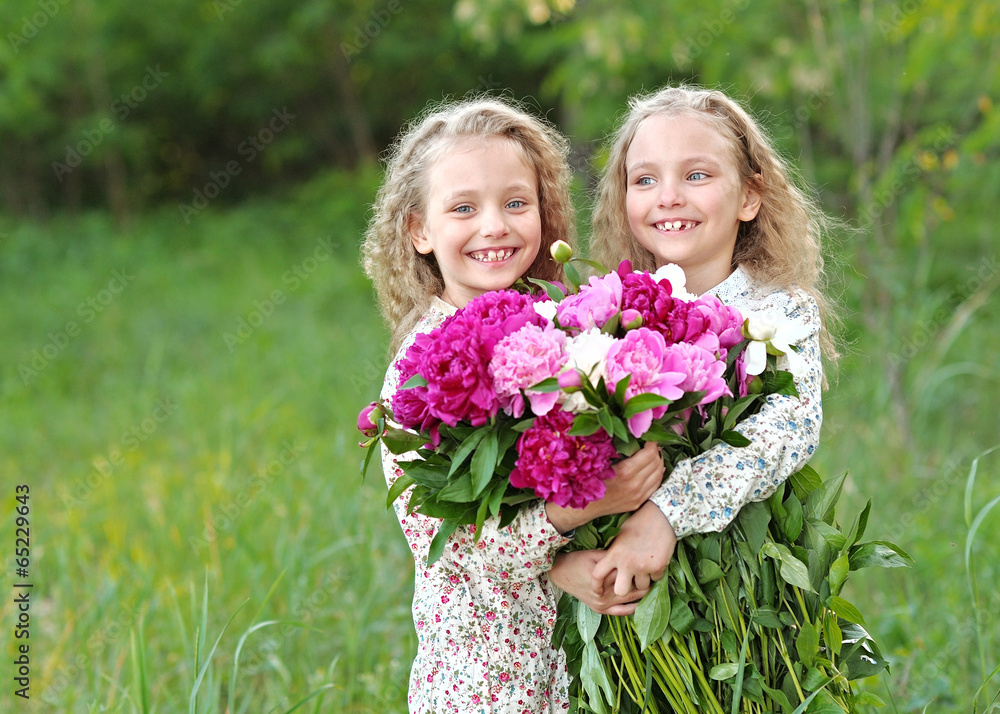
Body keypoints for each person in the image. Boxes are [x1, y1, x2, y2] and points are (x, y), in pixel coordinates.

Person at [361, 96, 665, 713]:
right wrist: (589, 507)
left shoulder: (567, 330)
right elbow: (455, 548)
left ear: (544, 213)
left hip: (578, 666)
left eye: (516, 203)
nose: (495, 226)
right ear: (419, 230)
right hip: (485, 677)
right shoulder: (422, 376)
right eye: (463, 208)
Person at [584, 84, 839, 604]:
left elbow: (785, 430)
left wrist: (667, 513)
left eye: (696, 175)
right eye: (645, 179)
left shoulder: (779, 312)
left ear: (749, 197)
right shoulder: (609, 315)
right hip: (627, 592)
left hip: (744, 597)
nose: (668, 196)